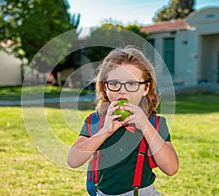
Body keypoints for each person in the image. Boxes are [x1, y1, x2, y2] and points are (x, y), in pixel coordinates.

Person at [67, 45, 179, 195]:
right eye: (114, 83)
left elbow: (171, 168)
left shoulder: (155, 123)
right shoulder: (95, 120)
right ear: (104, 87)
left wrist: (145, 126)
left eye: (131, 83)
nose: (122, 90)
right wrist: (106, 131)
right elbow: (73, 161)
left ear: (145, 88)